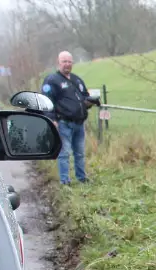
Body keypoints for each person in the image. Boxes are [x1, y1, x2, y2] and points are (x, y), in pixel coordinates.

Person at [42, 51, 98, 185]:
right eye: (64, 62)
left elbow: (84, 96)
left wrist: (89, 102)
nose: (67, 64)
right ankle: (65, 180)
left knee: (79, 153)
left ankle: (81, 178)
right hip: (63, 123)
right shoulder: (52, 80)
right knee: (64, 153)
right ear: (58, 63)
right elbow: (46, 101)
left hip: (79, 123)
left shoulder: (77, 80)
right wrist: (51, 119)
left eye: (69, 62)